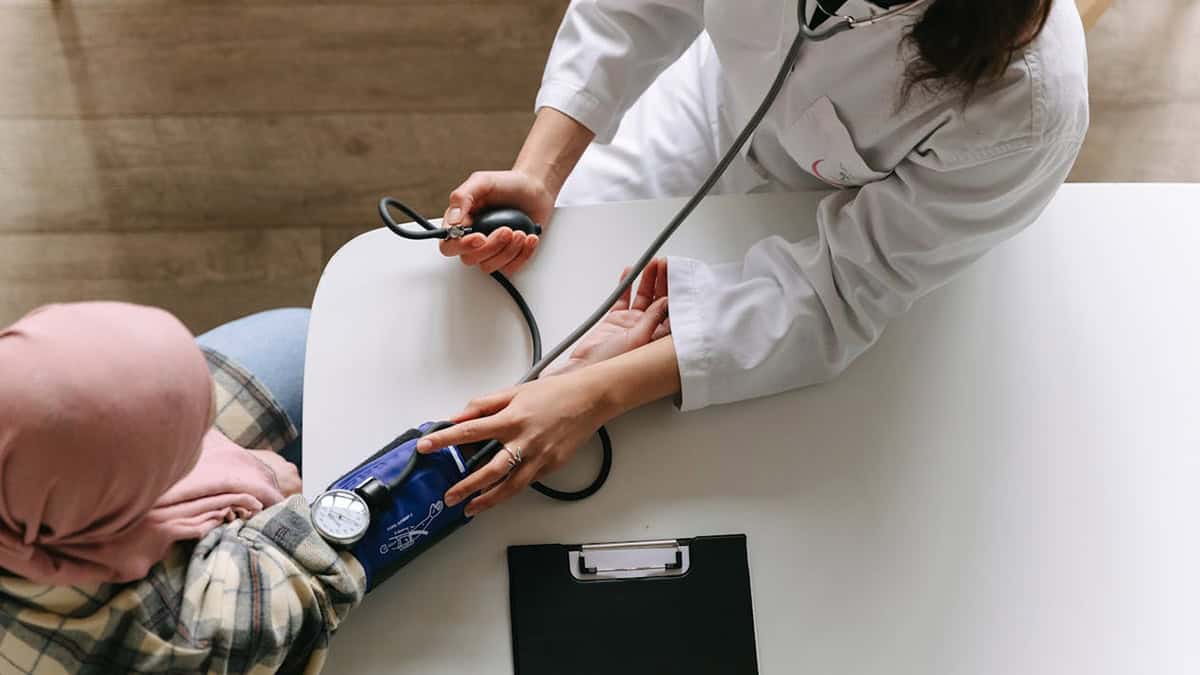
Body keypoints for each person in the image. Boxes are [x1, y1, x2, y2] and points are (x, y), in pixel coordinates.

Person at [418, 0, 1090, 515]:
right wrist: (542, 172)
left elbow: (842, 291)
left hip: (851, 222)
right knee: (524, 309)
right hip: (706, 109)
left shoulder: (1026, 107)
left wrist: (594, 396)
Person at [0, 293, 671, 673]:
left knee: (296, 337)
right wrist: (572, 386)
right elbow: (328, 549)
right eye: (182, 453)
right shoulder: (189, 629)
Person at [0, 302, 361, 674]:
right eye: (192, 447)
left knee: (300, 334)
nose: (207, 434)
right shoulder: (165, 631)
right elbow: (303, 591)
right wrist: (267, 491)